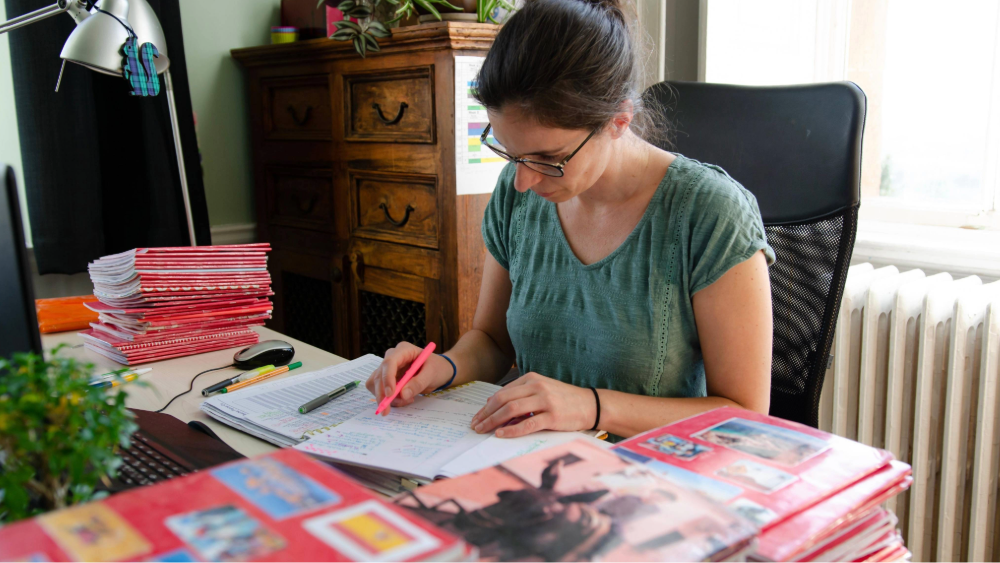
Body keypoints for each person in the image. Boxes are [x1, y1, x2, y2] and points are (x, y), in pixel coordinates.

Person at [366, 0, 776, 441]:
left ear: (619, 120)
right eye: (510, 151)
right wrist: (441, 366)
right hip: (524, 459)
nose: (522, 181)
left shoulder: (709, 213)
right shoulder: (516, 193)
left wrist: (590, 406)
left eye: (549, 158)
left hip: (649, 476)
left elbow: (743, 416)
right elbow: (492, 340)